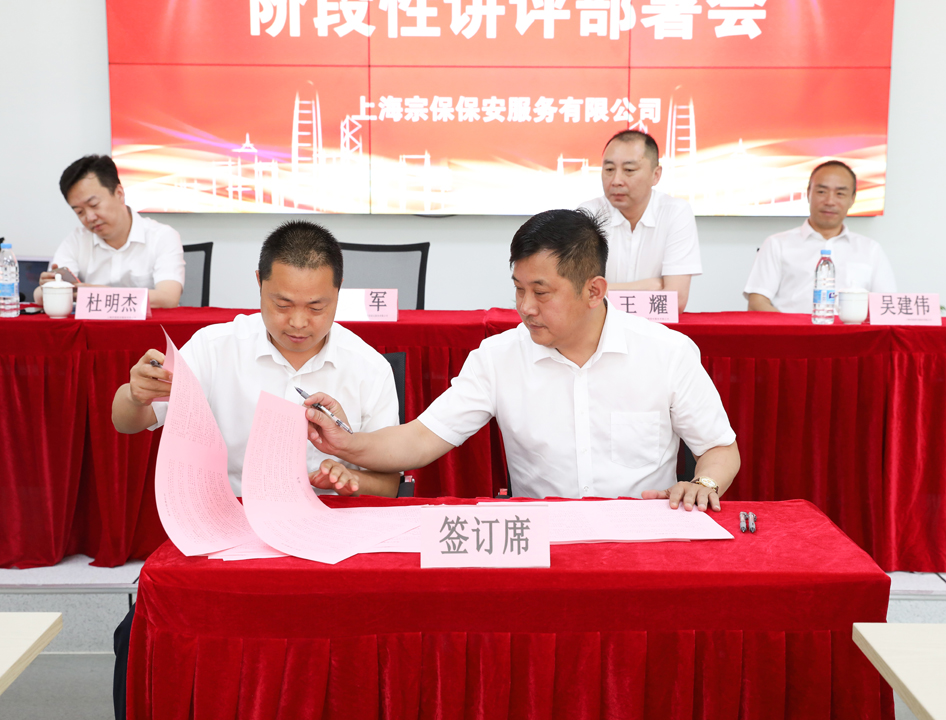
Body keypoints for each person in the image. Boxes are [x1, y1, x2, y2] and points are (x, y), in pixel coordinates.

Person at [109, 220, 401, 720]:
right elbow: (127, 421)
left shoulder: (367, 367)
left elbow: (389, 487)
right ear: (259, 284)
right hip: (227, 537)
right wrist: (134, 394)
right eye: (282, 303)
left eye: (317, 307)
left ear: (338, 295)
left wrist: (351, 480)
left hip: (330, 542)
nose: (298, 322)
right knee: (140, 632)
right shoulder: (214, 347)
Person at [305, 209, 740, 513]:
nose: (525, 307)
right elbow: (420, 439)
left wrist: (703, 484)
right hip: (541, 544)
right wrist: (345, 444)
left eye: (541, 292)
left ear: (593, 291)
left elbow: (720, 449)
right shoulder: (498, 358)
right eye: (518, 289)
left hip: (642, 537)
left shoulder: (666, 352)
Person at [34, 155, 185, 308]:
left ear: (119, 193)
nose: (90, 217)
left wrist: (101, 294)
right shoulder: (77, 240)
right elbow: (39, 295)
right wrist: (48, 286)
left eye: (94, 205)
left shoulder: (162, 237)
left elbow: (168, 298)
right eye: (79, 212)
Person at [744, 160, 896, 313]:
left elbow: (886, 307)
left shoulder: (870, 250)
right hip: (791, 328)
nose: (830, 201)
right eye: (822, 192)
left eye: (840, 194)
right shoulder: (777, 244)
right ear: (808, 194)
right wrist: (792, 326)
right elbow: (757, 302)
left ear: (852, 199)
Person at [579, 130, 701, 311]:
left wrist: (603, 293)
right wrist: (650, 287)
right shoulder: (588, 214)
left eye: (629, 170)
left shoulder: (675, 213)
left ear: (656, 175)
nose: (616, 180)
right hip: (599, 327)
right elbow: (578, 296)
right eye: (609, 170)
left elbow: (676, 301)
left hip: (656, 328)